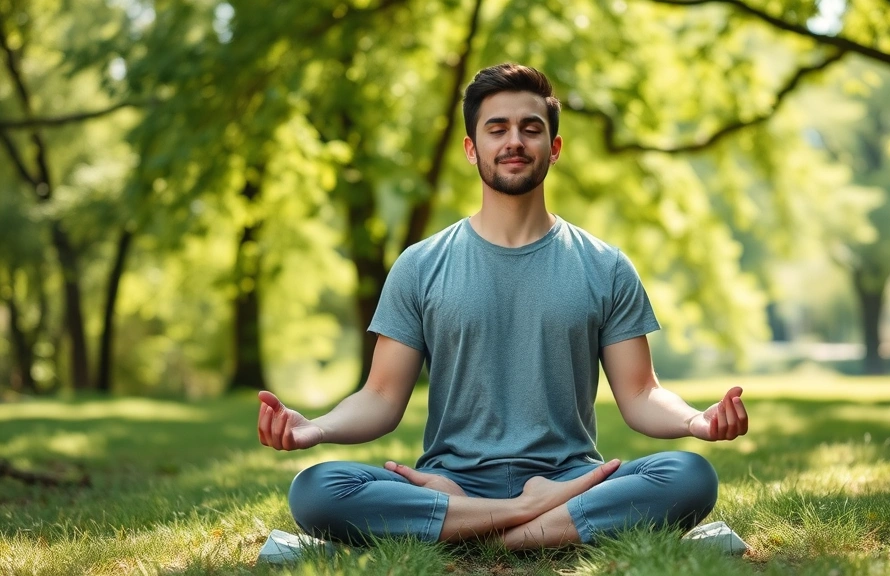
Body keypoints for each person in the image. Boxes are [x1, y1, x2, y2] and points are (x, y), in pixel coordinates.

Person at [257, 62, 749, 550]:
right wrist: (317, 428)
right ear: (472, 148)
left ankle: (470, 532)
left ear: (554, 148)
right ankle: (531, 525)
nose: (514, 141)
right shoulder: (420, 265)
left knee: (688, 475)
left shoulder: (607, 266)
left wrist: (694, 421)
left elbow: (641, 394)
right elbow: (382, 397)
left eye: (530, 129)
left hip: (566, 481)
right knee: (317, 489)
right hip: (453, 482)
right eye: (497, 129)